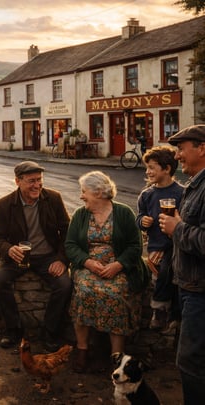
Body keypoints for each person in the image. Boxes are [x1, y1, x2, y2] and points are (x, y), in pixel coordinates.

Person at [65, 171, 148, 373]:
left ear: (99, 192)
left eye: (84, 191)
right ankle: (83, 349)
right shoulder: (80, 214)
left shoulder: (124, 213)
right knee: (84, 291)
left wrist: (117, 265)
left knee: (115, 294)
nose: (81, 196)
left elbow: (135, 246)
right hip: (88, 268)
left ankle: (116, 357)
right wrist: (88, 262)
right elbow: (70, 245)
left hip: (118, 268)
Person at [0, 161, 72, 352]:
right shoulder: (5, 204)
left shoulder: (53, 198)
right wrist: (9, 249)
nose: (37, 185)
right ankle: (14, 329)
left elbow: (67, 232)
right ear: (17, 181)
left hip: (47, 257)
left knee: (64, 285)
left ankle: (50, 331)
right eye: (31, 181)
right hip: (17, 258)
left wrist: (62, 259)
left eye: (39, 180)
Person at [159, 125, 205, 405]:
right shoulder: (196, 184)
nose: (177, 156)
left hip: (200, 293)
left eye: (181, 148)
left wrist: (177, 229)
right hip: (190, 287)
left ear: (202, 148)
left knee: (192, 363)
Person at [136, 146, 184, 332]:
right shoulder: (147, 195)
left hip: (176, 245)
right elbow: (139, 218)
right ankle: (161, 311)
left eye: (152, 167)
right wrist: (143, 221)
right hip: (156, 247)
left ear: (167, 169)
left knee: (172, 273)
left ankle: (167, 312)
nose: (148, 171)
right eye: (147, 167)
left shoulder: (182, 193)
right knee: (162, 272)